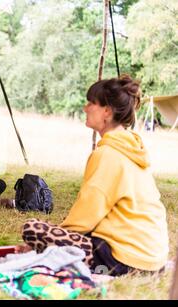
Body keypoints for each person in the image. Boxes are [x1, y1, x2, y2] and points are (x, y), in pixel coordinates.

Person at [21, 75, 169, 276]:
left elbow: (84, 217)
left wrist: (53, 240)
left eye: (91, 103)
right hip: (154, 257)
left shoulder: (106, 154)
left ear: (107, 111)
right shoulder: (133, 148)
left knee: (33, 228)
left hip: (125, 260)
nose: (85, 108)